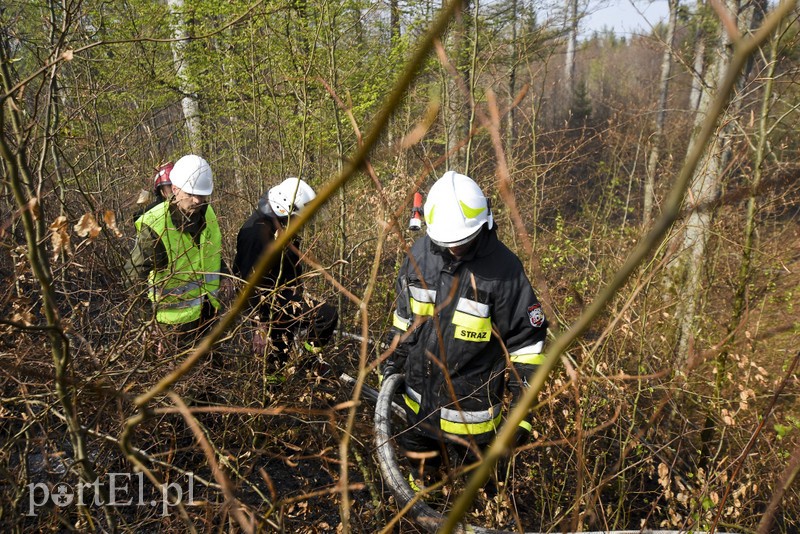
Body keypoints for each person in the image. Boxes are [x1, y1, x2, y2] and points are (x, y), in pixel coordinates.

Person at [380, 170, 548, 489]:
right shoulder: (418, 258)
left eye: (462, 241)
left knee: (481, 493)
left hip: (475, 425)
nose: (455, 249)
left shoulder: (504, 272)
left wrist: (521, 416)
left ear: (482, 223)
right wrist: (391, 363)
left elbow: (527, 347)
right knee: (419, 489)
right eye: (448, 243)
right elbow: (404, 322)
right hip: (418, 411)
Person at [233, 177, 338, 364]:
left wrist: (300, 294)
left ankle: (303, 366)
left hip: (285, 299)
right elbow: (244, 282)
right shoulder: (255, 233)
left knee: (279, 359)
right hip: (269, 306)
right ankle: (304, 367)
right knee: (326, 316)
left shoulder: (281, 226)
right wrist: (258, 325)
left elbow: (291, 266)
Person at [125, 154, 228, 342]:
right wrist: (149, 324)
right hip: (171, 327)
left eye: (202, 194)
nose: (198, 200)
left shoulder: (209, 213)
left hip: (208, 312)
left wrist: (225, 276)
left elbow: (211, 253)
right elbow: (133, 278)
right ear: (175, 189)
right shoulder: (155, 226)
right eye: (191, 194)